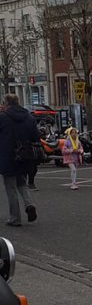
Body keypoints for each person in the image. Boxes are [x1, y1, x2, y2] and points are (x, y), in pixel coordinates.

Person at [0, 94, 40, 225]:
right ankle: (29, 204)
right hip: (25, 155)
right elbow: (36, 137)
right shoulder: (29, 117)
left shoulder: (3, 118)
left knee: (10, 187)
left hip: (8, 156)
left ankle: (15, 217)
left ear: (6, 103)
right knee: (22, 182)